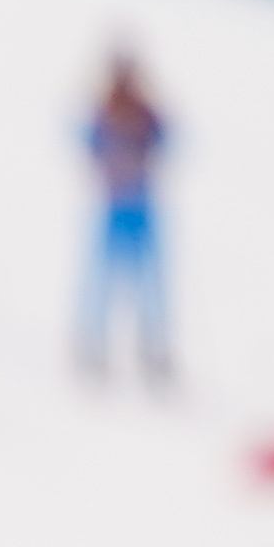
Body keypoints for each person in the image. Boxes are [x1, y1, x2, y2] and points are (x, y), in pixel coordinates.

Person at [78, 51, 175, 388]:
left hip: (140, 207)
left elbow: (168, 142)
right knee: (104, 281)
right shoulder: (106, 110)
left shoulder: (145, 113)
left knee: (150, 284)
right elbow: (89, 145)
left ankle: (153, 349)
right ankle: (95, 344)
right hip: (117, 206)